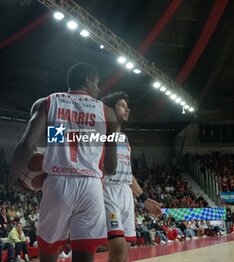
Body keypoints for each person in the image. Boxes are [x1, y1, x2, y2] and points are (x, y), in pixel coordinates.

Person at [9, 62, 118, 262]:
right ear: (87, 81)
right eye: (97, 84)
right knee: (85, 252)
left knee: (49, 250)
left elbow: (27, 144)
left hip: (58, 182)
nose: (98, 89)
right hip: (91, 187)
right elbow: (111, 167)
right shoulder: (108, 113)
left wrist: (13, 179)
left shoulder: (48, 102)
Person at [101, 91, 162, 262]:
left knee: (124, 252)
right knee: (118, 248)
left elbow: (128, 174)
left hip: (126, 196)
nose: (127, 110)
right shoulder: (98, 133)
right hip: (107, 190)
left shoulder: (124, 138)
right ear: (110, 110)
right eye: (122, 106)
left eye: (127, 107)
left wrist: (145, 199)